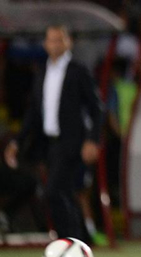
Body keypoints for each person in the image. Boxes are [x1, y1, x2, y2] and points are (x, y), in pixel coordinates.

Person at [4, 25, 103, 244]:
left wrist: (92, 140)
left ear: (69, 42)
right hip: (50, 144)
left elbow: (96, 108)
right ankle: (81, 241)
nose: (55, 44)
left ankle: (69, 241)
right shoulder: (42, 72)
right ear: (45, 44)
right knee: (64, 193)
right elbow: (34, 113)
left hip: (72, 143)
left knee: (54, 191)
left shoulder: (78, 70)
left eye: (59, 40)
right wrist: (18, 142)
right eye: (51, 40)